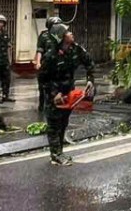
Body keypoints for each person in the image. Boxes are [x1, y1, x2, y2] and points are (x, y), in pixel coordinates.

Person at [38, 23, 95, 164]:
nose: (71, 34)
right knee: (53, 124)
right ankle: (56, 155)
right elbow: (42, 78)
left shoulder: (75, 49)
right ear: (61, 38)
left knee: (63, 123)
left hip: (68, 94)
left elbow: (89, 63)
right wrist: (54, 94)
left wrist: (90, 80)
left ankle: (60, 152)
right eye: (67, 32)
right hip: (54, 96)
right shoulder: (51, 56)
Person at [34, 15, 61, 114]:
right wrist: (38, 62)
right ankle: (42, 105)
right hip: (45, 65)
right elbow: (40, 50)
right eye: (55, 25)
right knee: (42, 87)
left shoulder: (62, 36)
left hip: (57, 66)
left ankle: (54, 105)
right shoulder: (44, 35)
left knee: (56, 87)